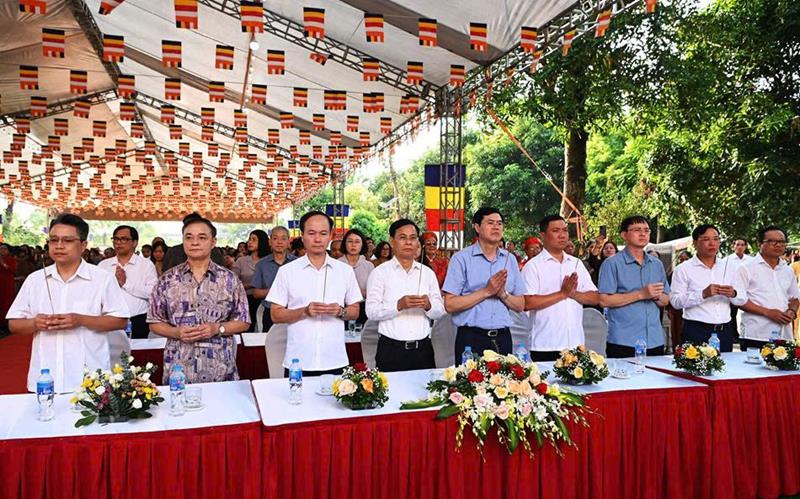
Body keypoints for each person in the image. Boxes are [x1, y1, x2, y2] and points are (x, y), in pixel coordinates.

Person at [7, 213, 129, 393]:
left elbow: (120, 321)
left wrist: (80, 320)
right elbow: (14, 324)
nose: (59, 245)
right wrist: (35, 323)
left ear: (83, 245)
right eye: (53, 240)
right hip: (45, 377)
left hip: (91, 380)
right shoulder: (35, 280)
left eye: (67, 240)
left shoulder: (102, 279)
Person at [148, 216, 250, 383]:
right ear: (183, 241)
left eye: (202, 237)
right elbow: (154, 321)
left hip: (220, 369)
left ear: (213, 242)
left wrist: (217, 328)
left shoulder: (230, 280)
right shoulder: (167, 280)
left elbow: (243, 321)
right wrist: (175, 332)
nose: (194, 242)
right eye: (189, 237)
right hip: (178, 369)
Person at [268, 211, 362, 376]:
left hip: (335, 359)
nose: (317, 239)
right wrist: (304, 312)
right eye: (311, 233)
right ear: (302, 236)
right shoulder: (287, 271)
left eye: (323, 233)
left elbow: (355, 311)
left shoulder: (345, 271)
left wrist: (340, 311)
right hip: (298, 361)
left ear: (330, 236)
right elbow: (275, 315)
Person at [443, 207, 525, 360]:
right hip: (471, 338)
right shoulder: (461, 258)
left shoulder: (510, 259)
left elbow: (520, 305)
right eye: (490, 223)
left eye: (499, 223)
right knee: (468, 376)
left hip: (502, 337)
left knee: (505, 376)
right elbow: (450, 304)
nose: (496, 227)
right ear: (477, 227)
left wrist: (502, 294)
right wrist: (487, 291)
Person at [366, 219, 445, 371]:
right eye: (402, 237)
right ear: (392, 241)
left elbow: (439, 311)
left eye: (413, 238)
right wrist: (398, 305)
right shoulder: (380, 273)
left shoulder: (427, 273)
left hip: (423, 349)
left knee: (425, 387)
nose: (408, 242)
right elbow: (371, 312)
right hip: (391, 350)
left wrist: (429, 306)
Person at [522, 215, 599, 361]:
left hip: (575, 344)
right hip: (545, 345)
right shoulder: (533, 266)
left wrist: (573, 294)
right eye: (556, 231)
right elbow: (527, 302)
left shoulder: (576, 263)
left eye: (565, 230)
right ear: (543, 235)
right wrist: (562, 294)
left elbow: (595, 297)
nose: (562, 235)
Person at [598, 215, 670, 358]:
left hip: (654, 339)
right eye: (637, 230)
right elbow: (604, 300)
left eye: (646, 230)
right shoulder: (612, 263)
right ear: (624, 235)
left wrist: (656, 296)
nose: (643, 234)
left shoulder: (656, 264)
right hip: (624, 341)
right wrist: (641, 294)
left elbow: (666, 300)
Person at [669, 225, 737, 352]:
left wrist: (733, 293)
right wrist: (702, 294)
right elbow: (675, 301)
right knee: (694, 365)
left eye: (716, 239)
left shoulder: (730, 267)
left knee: (727, 364)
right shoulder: (683, 269)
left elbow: (742, 297)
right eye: (706, 239)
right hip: (696, 330)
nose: (712, 243)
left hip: (724, 330)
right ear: (695, 243)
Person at [731, 226, 799, 349]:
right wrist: (768, 312)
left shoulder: (787, 270)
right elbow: (738, 299)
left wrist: (792, 311)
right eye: (772, 241)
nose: (778, 245)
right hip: (756, 334)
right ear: (760, 244)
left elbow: (795, 298)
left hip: (783, 335)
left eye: (781, 241)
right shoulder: (746, 268)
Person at [98, 225, 158, 339]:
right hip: (110, 321)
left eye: (124, 239)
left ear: (135, 243)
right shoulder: (103, 265)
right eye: (116, 239)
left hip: (138, 320)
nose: (118, 243)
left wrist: (126, 284)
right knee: (111, 350)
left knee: (138, 350)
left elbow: (153, 293)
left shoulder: (145, 265)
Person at [252, 226, 296, 333]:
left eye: (283, 238)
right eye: (275, 238)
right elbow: (256, 293)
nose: (279, 242)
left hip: (294, 311)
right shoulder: (261, 264)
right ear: (270, 242)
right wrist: (277, 291)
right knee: (269, 342)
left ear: (288, 242)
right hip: (270, 312)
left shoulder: (298, 263)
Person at [233, 230, 270, 331]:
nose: (250, 242)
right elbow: (233, 283)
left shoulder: (269, 261)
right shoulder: (241, 261)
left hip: (265, 299)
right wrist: (251, 285)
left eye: (254, 240)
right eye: (249, 239)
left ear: (262, 242)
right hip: (246, 299)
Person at [338, 229, 374, 325]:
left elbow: (374, 291)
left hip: (364, 308)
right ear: (344, 244)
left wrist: (363, 292)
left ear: (362, 244)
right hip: (341, 308)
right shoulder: (337, 264)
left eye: (357, 242)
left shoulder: (369, 266)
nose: (353, 245)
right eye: (350, 241)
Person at [0, 244, 18, 334]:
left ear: (8, 251)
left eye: (4, 249)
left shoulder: (11, 260)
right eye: (1, 249)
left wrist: (3, 264)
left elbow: (13, 270)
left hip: (7, 284)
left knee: (7, 303)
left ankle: (6, 324)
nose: (2, 251)